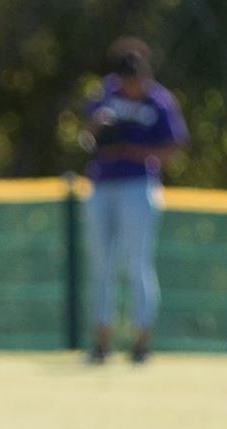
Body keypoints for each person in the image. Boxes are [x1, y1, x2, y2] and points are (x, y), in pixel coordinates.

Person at [80, 38, 187, 365]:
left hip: (139, 185)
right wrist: (98, 130)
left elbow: (175, 147)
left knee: (137, 263)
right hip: (102, 184)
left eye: (135, 79)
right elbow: (86, 136)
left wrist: (132, 151)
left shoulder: (159, 101)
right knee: (102, 265)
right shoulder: (107, 93)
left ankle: (141, 341)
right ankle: (102, 341)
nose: (130, 86)